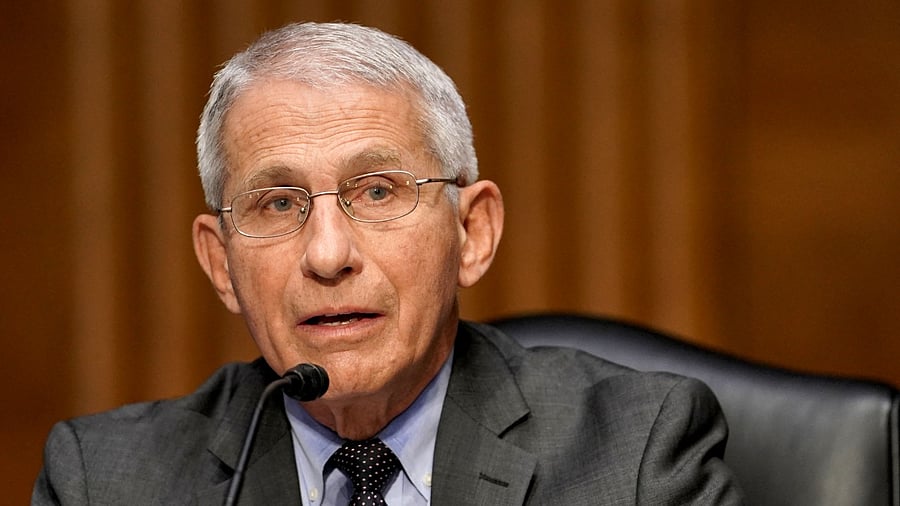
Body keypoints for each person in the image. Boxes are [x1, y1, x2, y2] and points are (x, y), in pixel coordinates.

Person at [33, 21, 743, 505]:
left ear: (472, 232)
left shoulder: (636, 453)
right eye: (277, 204)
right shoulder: (105, 482)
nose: (328, 255)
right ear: (221, 264)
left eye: (377, 191)